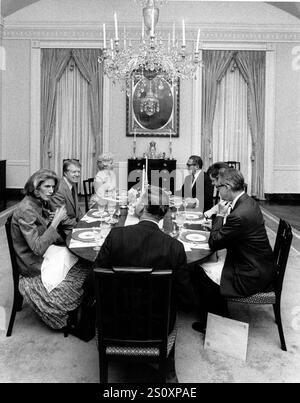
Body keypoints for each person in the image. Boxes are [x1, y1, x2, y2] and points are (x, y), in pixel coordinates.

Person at [95, 186, 194, 382]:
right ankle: (167, 366)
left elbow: (95, 280)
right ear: (164, 213)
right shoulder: (175, 247)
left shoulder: (116, 236)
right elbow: (186, 298)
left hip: (115, 324)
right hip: (158, 327)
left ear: (140, 209)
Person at [192, 168, 276, 333]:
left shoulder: (239, 214)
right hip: (260, 262)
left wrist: (219, 217)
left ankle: (213, 323)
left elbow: (215, 243)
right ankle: (217, 312)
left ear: (228, 187)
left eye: (219, 187)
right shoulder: (247, 201)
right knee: (210, 262)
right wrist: (221, 225)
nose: (218, 190)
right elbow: (237, 231)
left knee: (200, 270)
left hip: (250, 272)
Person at [11, 169, 90, 330]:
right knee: (83, 265)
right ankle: (74, 310)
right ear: (35, 188)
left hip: (45, 252)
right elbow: (38, 248)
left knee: (80, 258)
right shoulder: (26, 209)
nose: (51, 191)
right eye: (47, 186)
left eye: (53, 187)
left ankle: (86, 304)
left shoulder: (37, 202)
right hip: (33, 263)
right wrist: (55, 223)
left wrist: (49, 221)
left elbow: (41, 229)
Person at [50, 159, 83, 228]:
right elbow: (62, 220)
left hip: (73, 224)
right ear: (65, 173)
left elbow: (77, 209)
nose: (77, 174)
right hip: (64, 230)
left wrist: (84, 221)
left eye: (78, 172)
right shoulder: (59, 189)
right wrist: (81, 226)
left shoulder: (72, 183)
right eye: (74, 172)